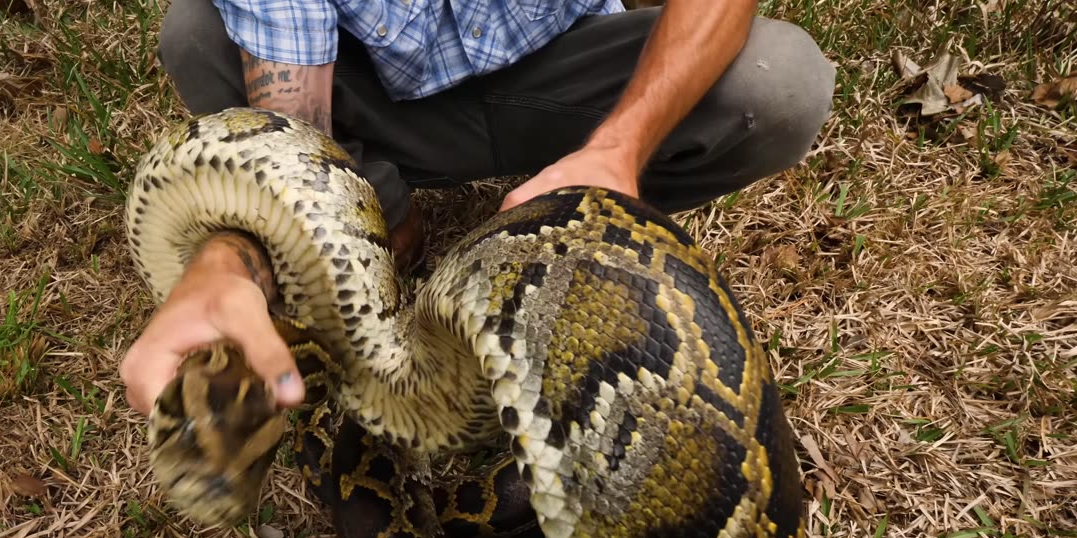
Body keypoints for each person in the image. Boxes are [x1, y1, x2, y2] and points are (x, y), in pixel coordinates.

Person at [120, 0, 836, 417]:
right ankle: (387, 219)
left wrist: (620, 145)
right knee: (198, 34)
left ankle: (588, 190)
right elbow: (294, 139)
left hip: (567, 70)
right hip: (380, 96)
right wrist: (233, 257)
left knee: (779, 86)